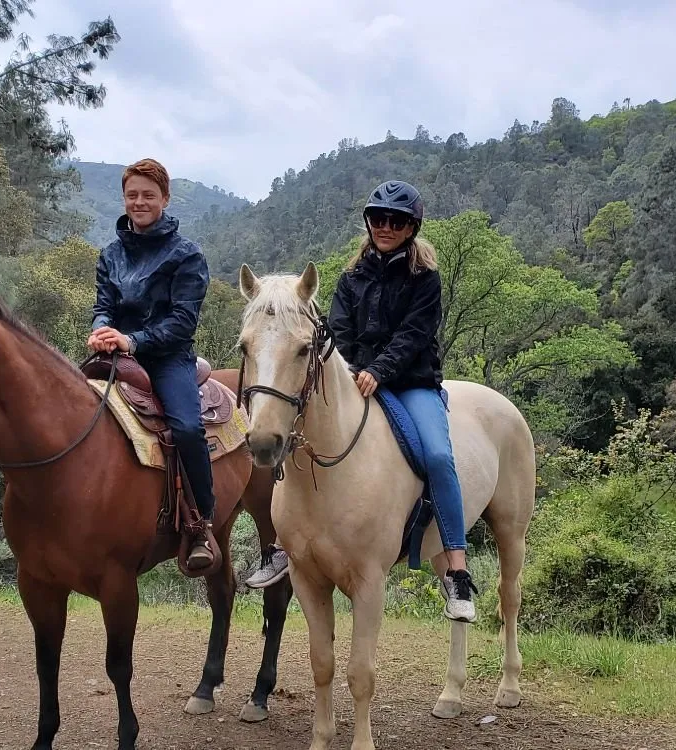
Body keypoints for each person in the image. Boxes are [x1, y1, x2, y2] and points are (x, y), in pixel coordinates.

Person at [244, 180, 477, 623]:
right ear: (368, 223)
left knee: (438, 455)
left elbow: (415, 335)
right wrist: (349, 370)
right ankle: (281, 544)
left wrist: (379, 370)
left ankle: (457, 568)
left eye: (397, 221)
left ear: (411, 228)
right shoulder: (352, 278)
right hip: (355, 379)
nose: (386, 227)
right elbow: (339, 330)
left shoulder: (424, 278)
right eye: (378, 219)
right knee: (295, 431)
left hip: (410, 383)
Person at [87, 158, 216, 570]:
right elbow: (103, 305)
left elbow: (182, 321)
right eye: (132, 195)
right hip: (114, 352)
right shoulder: (110, 253)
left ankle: (200, 525)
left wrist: (133, 340)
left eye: (148, 195)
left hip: (167, 357)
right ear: (123, 199)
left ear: (165, 198)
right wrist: (100, 329)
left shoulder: (187, 255)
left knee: (188, 428)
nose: (139, 202)